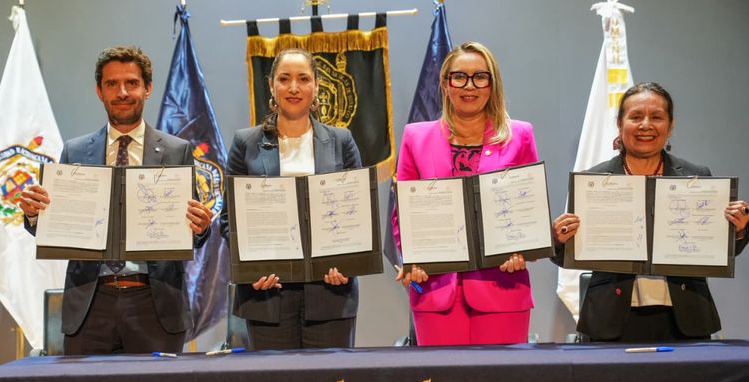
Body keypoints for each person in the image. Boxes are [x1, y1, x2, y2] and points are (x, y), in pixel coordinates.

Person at [19, 46, 212, 355]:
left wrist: (200, 227)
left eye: (131, 83)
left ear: (147, 88)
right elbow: (55, 227)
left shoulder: (177, 151)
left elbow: (194, 231)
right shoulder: (75, 151)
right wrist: (34, 214)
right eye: (112, 84)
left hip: (155, 304)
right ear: (100, 91)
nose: (122, 92)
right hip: (90, 303)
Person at [553, 82, 749, 341]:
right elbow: (568, 254)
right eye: (635, 117)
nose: (646, 125)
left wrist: (738, 229)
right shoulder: (593, 180)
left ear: (670, 125)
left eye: (656, 117)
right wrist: (560, 239)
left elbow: (721, 250)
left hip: (686, 317)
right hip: (610, 318)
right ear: (620, 123)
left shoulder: (697, 177)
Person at [393, 42, 539, 346]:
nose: (469, 86)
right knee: (441, 377)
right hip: (435, 290)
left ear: (492, 84)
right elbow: (402, 215)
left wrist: (522, 250)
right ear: (445, 84)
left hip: (502, 287)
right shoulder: (415, 137)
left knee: (501, 376)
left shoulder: (520, 136)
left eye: (480, 77)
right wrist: (413, 258)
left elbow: (530, 208)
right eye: (459, 77)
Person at [220, 48, 362, 350]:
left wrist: (346, 263)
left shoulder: (342, 141)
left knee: (331, 378)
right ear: (271, 85)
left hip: (330, 294)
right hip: (266, 295)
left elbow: (357, 214)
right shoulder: (246, 143)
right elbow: (229, 220)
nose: (294, 88)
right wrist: (251, 268)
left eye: (303, 79)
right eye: (284, 79)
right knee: (275, 381)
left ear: (317, 85)